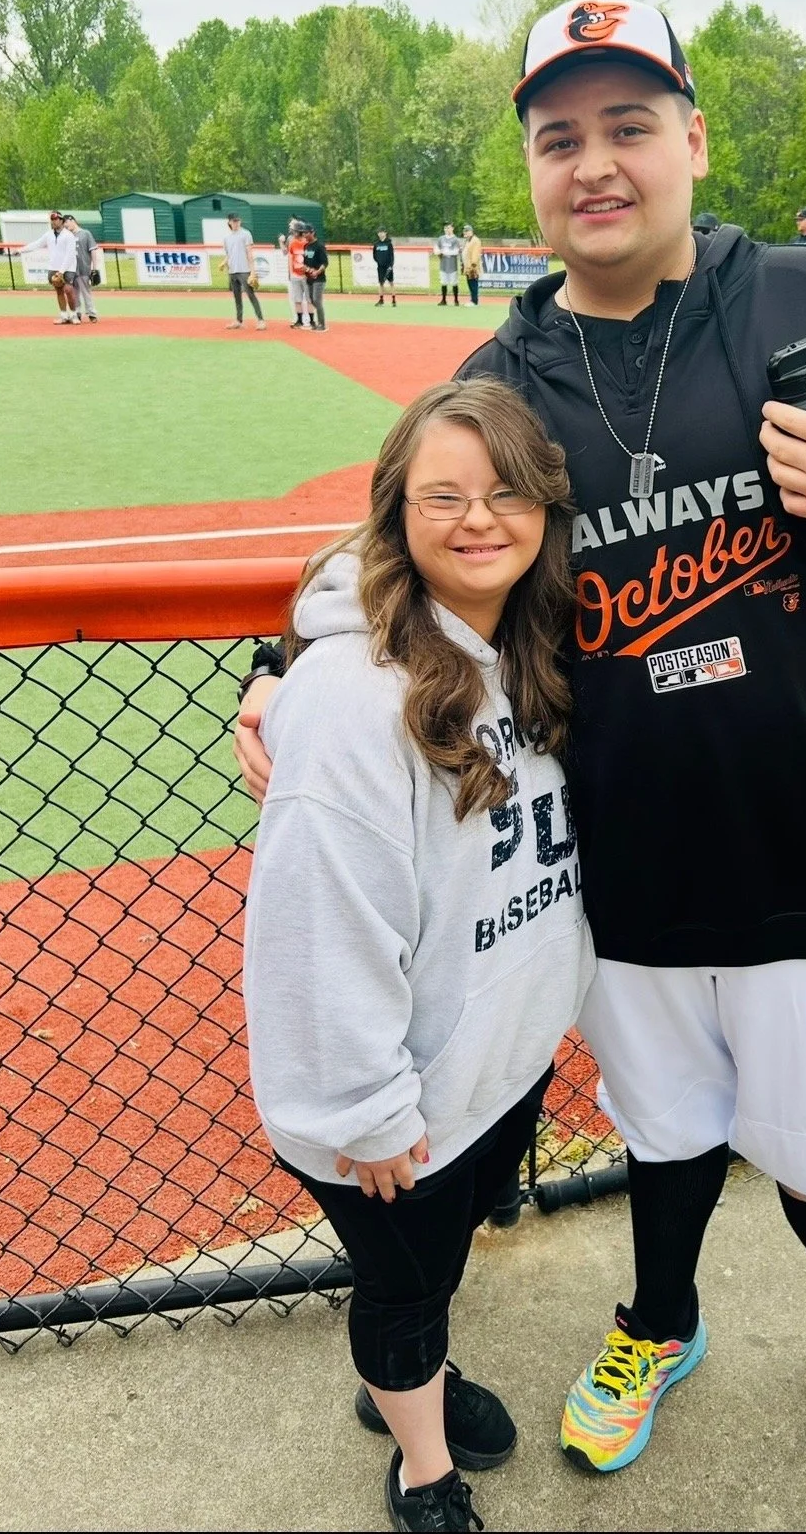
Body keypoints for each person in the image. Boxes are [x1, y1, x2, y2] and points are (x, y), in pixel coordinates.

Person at [236, 0, 806, 1534]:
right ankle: (660, 1320)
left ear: (693, 139)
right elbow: (404, 540)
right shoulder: (507, 375)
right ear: (533, 170)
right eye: (559, 137)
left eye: (628, 125)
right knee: (662, 1125)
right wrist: (279, 664)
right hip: (621, 863)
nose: (594, 163)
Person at [243, 378, 594, 1533]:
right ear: (395, 511)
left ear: (544, 509)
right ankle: (424, 1468)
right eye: (443, 496)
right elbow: (318, 928)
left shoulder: (529, 640)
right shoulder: (354, 699)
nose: (479, 519)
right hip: (396, 1103)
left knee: (436, 1271)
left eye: (506, 493)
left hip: (494, 1060)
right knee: (404, 1296)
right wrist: (366, 1109)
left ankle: (414, 1381)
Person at [20, 211, 79, 324]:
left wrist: (61, 271)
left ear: (61, 221)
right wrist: (20, 250)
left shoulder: (68, 235)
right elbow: (36, 244)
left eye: (56, 219)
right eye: (52, 220)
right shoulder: (48, 235)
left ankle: (73, 314)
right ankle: (64, 315)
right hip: (54, 267)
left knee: (68, 290)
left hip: (68, 268)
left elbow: (70, 255)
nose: (53, 222)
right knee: (59, 291)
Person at [221, 213, 266, 331]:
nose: (236, 223)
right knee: (236, 296)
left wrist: (252, 272)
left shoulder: (246, 234)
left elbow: (249, 253)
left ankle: (261, 320)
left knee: (251, 295)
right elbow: (229, 254)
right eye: (234, 221)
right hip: (232, 270)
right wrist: (224, 263)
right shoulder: (226, 237)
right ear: (229, 222)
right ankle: (238, 321)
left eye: (238, 221)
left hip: (244, 270)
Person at [64, 215, 101, 322]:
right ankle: (77, 313)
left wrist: (95, 268)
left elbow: (93, 250)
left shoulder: (85, 233)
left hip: (83, 268)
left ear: (72, 220)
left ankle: (92, 313)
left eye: (66, 223)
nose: (65, 226)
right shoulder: (67, 236)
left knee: (86, 292)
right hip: (71, 269)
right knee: (74, 293)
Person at [280, 218, 312, 328]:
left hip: (305, 274)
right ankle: (298, 319)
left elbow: (311, 257)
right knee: (295, 298)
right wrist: (291, 272)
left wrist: (309, 271)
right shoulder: (291, 240)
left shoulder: (306, 241)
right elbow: (288, 255)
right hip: (294, 274)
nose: (291, 229)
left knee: (307, 298)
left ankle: (309, 320)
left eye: (293, 227)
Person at [301, 225, 329, 331]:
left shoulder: (319, 246)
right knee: (312, 300)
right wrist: (305, 269)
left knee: (317, 300)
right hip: (309, 278)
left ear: (312, 233)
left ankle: (322, 324)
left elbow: (325, 263)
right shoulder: (306, 246)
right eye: (303, 233)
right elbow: (305, 262)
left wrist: (317, 271)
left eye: (306, 233)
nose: (304, 235)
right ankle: (319, 321)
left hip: (319, 278)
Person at [435, 223, 462, 306]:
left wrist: (445, 252)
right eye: (445, 228)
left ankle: (456, 300)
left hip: (452, 264)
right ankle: (443, 300)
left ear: (452, 228)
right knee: (443, 282)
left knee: (454, 282)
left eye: (448, 228)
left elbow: (456, 251)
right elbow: (436, 249)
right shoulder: (441, 239)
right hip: (443, 264)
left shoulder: (456, 239)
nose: (447, 230)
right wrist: (439, 252)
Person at [373, 228, 397, 307]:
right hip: (380, 267)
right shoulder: (376, 244)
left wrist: (390, 266)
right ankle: (381, 300)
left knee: (391, 283)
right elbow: (374, 255)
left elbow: (392, 256)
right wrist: (379, 262)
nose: (381, 234)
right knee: (381, 283)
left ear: (385, 233)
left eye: (382, 232)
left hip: (388, 266)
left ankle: (393, 300)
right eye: (379, 232)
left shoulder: (389, 244)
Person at [461, 225, 483, 306]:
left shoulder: (475, 240)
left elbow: (475, 253)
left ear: (471, 231)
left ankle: (474, 300)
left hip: (472, 266)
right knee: (470, 283)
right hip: (467, 266)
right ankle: (472, 299)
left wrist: (473, 264)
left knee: (473, 283)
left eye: (467, 231)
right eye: (465, 231)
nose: (465, 232)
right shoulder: (467, 241)